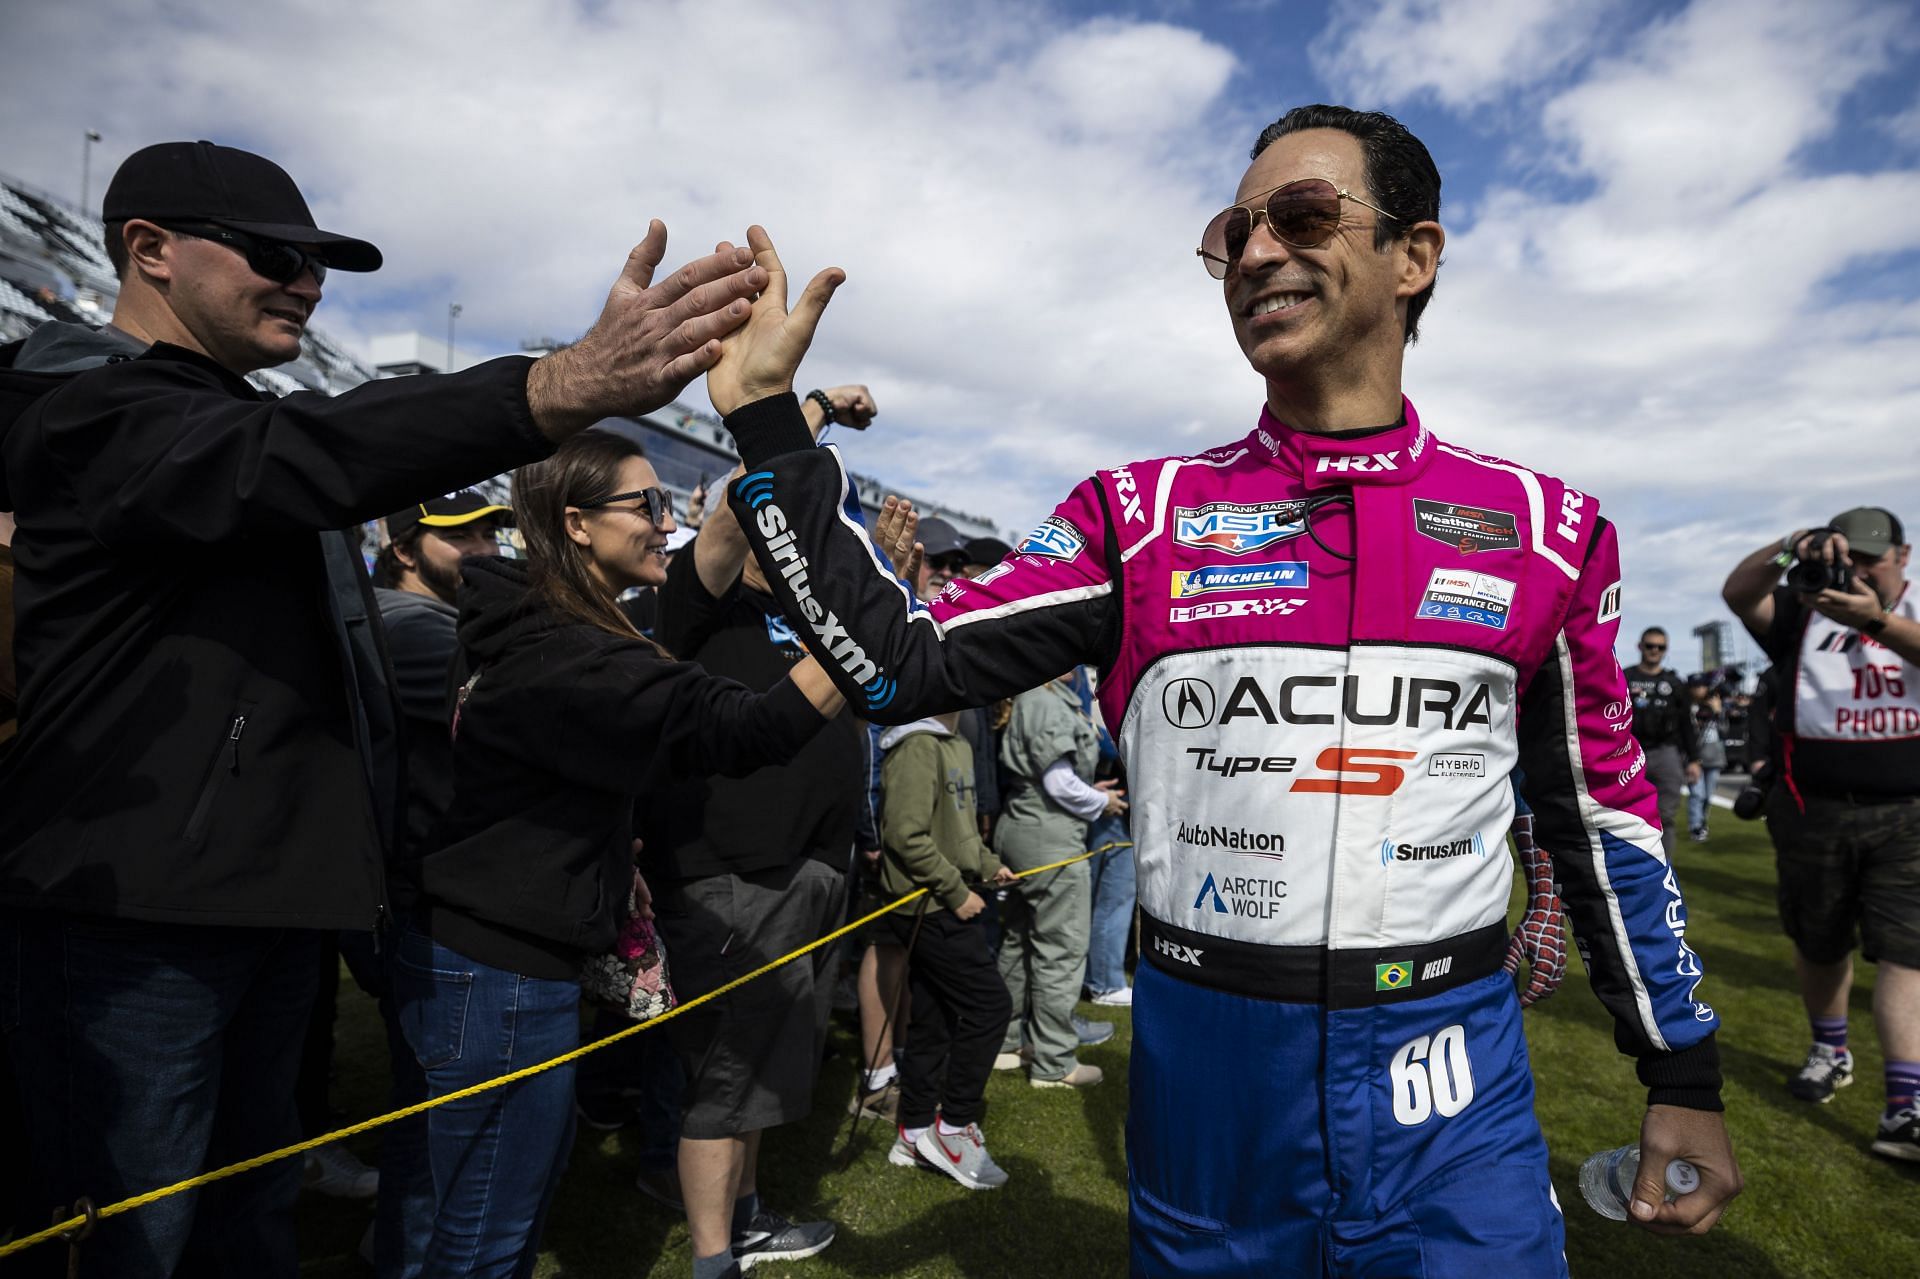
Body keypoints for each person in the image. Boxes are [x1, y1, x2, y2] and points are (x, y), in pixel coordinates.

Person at [705, 101, 1739, 1273]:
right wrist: (764, 429)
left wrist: (1682, 1072)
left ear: (1415, 256)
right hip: (1210, 1082)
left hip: (1453, 1085)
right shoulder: (1139, 516)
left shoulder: (1545, 531)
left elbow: (1601, 818)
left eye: (1300, 215)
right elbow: (894, 665)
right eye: (1230, 231)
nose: (1252, 253)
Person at [0, 137, 767, 1277]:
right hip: (132, 932)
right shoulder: (85, 407)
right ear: (148, 250)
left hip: (265, 915)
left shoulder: (224, 419)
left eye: (319, 263)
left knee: (245, 1224)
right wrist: (553, 386)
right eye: (273, 255)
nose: (306, 283)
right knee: (127, 1236)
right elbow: (306, 455)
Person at [391, 429, 847, 1277]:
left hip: (487, 950)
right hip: (503, 967)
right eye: (646, 505)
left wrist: (784, 416)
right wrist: (866, 641)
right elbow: (753, 726)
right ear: (576, 522)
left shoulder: (551, 617)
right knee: (487, 1226)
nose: (664, 525)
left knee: (445, 1201)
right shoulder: (571, 650)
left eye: (665, 505)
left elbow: (710, 543)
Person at [644, 383, 878, 1275]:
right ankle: (714, 1256)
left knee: (760, 1072)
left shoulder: (800, 608)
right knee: (725, 1079)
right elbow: (739, 510)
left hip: (806, 866)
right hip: (735, 873)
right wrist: (802, 412)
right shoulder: (697, 602)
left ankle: (745, 1215)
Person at [1722, 508, 1920, 1161]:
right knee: (1819, 937)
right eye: (1846, 556)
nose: (1858, 571)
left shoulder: (1906, 614)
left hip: (1908, 811)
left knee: (1906, 951)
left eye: (1872, 559)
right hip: (1814, 809)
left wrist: (1871, 618)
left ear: (1904, 555)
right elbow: (1737, 591)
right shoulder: (1803, 612)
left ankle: (1904, 1103)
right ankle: (1829, 1048)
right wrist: (1789, 547)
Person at [875, 710, 1019, 1188]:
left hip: (942, 901)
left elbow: (957, 834)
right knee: (991, 1006)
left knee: (934, 1018)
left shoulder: (954, 742)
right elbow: (904, 835)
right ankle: (953, 1127)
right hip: (927, 907)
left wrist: (988, 862)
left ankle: (914, 1131)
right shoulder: (917, 744)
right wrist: (956, 892)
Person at [991, 674, 1126, 1088]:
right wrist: (1102, 800)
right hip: (1049, 838)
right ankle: (1054, 1063)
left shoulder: (1034, 697)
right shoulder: (1045, 701)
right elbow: (1056, 783)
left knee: (1016, 942)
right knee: (1060, 950)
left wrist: (1086, 789)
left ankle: (1007, 1043)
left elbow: (1053, 777)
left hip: (1022, 828)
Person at [1626, 628, 1701, 855]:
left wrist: (1694, 759)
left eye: (1660, 647)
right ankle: (1632, 867)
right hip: (1630, 751)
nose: (1654, 651)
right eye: (1650, 646)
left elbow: (1687, 722)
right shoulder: (1625, 677)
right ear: (1640, 646)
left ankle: (1664, 868)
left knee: (1665, 816)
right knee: (1626, 815)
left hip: (1666, 752)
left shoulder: (1674, 683)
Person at [1686, 676, 1728, 842]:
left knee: (1708, 796)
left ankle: (1702, 824)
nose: (1700, 689)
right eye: (1696, 686)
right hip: (1694, 758)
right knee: (1697, 794)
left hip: (1715, 758)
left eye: (1703, 686)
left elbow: (1725, 731)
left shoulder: (1715, 707)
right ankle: (1695, 827)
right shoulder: (1689, 707)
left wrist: (1718, 711)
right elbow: (1689, 733)